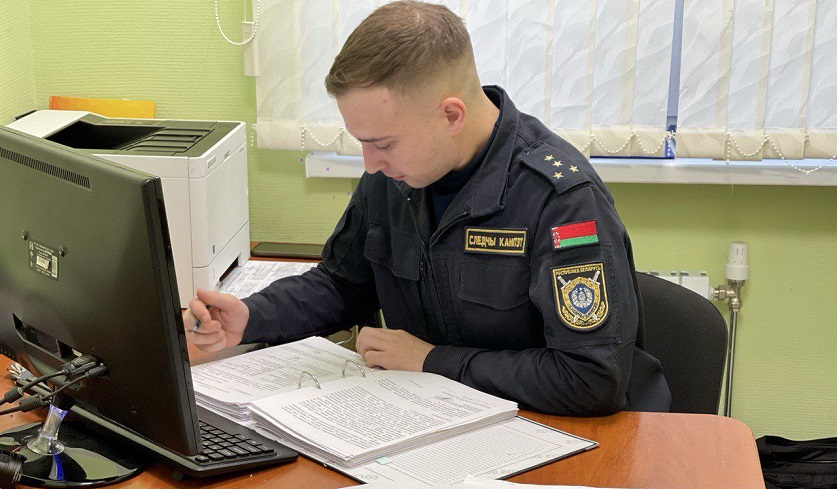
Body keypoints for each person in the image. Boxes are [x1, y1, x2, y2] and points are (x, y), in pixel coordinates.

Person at [185, 1, 671, 415]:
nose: (369, 164)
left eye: (382, 143)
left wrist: (431, 361)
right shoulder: (395, 175)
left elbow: (590, 378)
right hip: (433, 419)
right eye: (362, 142)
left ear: (451, 115)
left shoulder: (560, 199)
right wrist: (252, 317)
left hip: (568, 435)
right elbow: (344, 283)